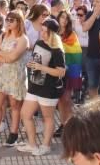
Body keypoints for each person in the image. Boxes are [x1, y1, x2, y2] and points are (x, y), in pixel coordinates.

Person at [18, 18, 66, 156]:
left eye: (45, 31)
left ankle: (46, 145)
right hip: (34, 85)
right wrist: (32, 65)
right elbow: (36, 60)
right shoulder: (39, 43)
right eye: (42, 30)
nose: (42, 33)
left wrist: (41, 67)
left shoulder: (57, 50)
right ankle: (32, 144)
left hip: (49, 88)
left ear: (53, 34)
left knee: (48, 118)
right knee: (25, 114)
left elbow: (60, 72)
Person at [0, 10, 29, 146]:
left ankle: (14, 133)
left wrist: (1, 55)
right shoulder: (3, 36)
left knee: (15, 106)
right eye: (7, 20)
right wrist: (4, 55)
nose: (8, 22)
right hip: (0, 75)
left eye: (11, 20)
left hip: (15, 75)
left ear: (19, 22)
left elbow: (13, 57)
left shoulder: (23, 39)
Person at [56, 10, 82, 135]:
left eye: (66, 18)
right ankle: (62, 124)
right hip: (56, 69)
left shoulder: (72, 34)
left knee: (66, 98)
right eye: (62, 17)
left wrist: (60, 45)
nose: (64, 20)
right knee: (60, 99)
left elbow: (76, 52)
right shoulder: (53, 32)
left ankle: (71, 124)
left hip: (69, 69)